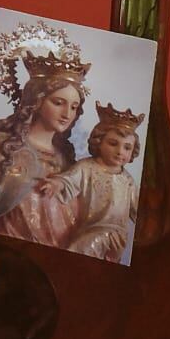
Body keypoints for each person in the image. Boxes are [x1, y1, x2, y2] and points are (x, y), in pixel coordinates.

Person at [0, 53, 88, 247]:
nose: (67, 114)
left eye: (74, 107)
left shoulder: (66, 161)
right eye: (58, 103)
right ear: (36, 101)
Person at [37, 105, 143, 263]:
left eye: (127, 147)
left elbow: (137, 209)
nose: (120, 151)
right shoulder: (87, 167)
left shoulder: (128, 180)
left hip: (116, 234)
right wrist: (56, 184)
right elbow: (69, 179)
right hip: (89, 228)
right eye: (113, 143)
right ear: (99, 142)